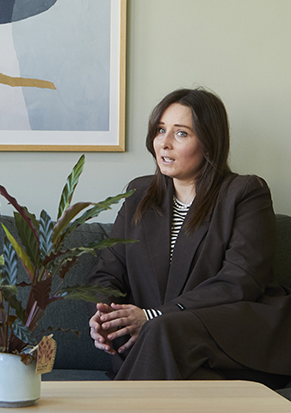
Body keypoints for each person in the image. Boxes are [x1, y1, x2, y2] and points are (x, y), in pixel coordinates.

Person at [87, 88, 291, 387]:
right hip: (159, 344)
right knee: (180, 367)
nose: (164, 143)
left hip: (227, 337)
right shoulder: (139, 194)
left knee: (162, 331)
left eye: (181, 133)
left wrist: (153, 315)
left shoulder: (245, 192)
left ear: (209, 142)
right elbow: (107, 273)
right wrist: (105, 317)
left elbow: (240, 280)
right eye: (160, 130)